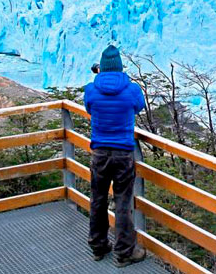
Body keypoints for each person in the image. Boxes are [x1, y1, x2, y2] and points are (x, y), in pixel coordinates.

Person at [84, 45, 147, 267]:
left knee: (98, 200)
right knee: (122, 202)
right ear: (120, 68)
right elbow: (139, 107)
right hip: (123, 154)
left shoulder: (91, 89)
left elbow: (90, 108)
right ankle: (125, 252)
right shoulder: (132, 90)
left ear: (101, 68)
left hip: (100, 153)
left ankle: (98, 247)